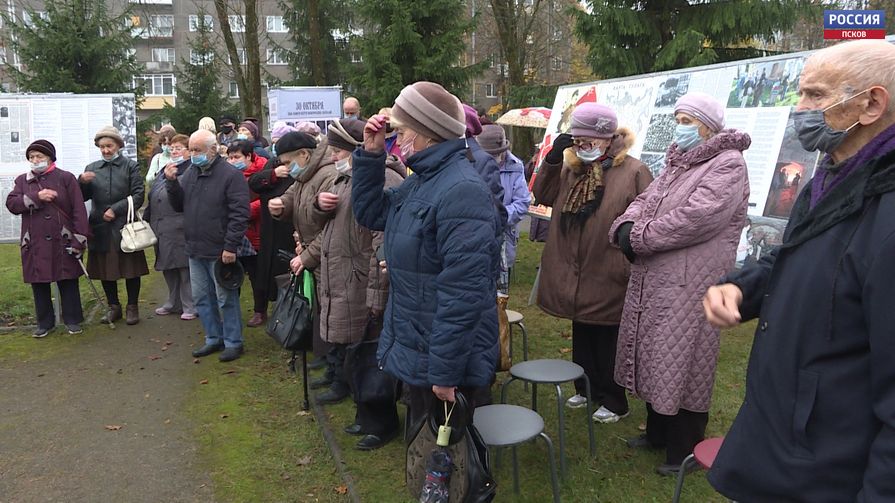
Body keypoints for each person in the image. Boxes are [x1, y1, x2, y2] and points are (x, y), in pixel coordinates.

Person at [702, 40, 895, 502]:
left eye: (815, 95)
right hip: (785, 448)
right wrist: (739, 288)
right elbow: (795, 256)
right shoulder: (831, 178)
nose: (799, 108)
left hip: (832, 473)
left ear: (871, 103)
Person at [608, 92, 750, 475]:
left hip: (691, 282)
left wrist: (638, 237)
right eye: (678, 118)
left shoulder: (728, 164)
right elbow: (646, 199)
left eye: (687, 120)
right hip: (658, 278)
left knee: (686, 360)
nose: (680, 126)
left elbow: (696, 217)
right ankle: (657, 433)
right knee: (657, 355)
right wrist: (625, 223)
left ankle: (683, 449)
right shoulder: (679, 163)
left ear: (707, 125)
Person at [352, 81, 500, 432]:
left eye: (402, 131)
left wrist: (446, 371)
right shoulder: (422, 181)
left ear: (427, 133)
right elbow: (372, 213)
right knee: (427, 446)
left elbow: (464, 293)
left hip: (446, 354)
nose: (397, 139)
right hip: (423, 340)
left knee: (452, 455)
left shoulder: (461, 190)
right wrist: (371, 155)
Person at [532, 103, 652, 423]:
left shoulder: (633, 171)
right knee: (582, 330)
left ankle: (613, 399)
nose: (583, 147)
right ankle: (585, 388)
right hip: (574, 268)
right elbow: (543, 195)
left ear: (608, 138)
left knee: (608, 338)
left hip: (608, 267)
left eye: (590, 141)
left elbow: (648, 215)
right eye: (578, 140)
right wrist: (553, 158)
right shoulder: (572, 168)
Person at [315, 119, 405, 450]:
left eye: (339, 150)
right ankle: (364, 414)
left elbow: (383, 240)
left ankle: (382, 422)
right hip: (344, 277)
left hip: (365, 279)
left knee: (371, 355)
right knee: (355, 352)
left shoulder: (386, 177)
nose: (334, 157)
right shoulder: (344, 177)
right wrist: (316, 206)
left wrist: (376, 291)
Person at [166, 130, 250, 362]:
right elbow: (179, 206)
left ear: (212, 150)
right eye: (191, 150)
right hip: (195, 248)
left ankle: (233, 341)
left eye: (197, 150)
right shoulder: (191, 173)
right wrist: (172, 184)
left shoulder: (231, 176)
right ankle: (213, 338)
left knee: (226, 298)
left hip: (220, 249)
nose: (192, 155)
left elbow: (239, 214)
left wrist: (231, 246)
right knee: (202, 297)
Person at [267, 131, 338, 367]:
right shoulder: (305, 175)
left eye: (288, 162)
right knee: (319, 309)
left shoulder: (328, 175)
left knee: (331, 313)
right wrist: (280, 206)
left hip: (327, 257)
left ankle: (334, 366)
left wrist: (307, 256)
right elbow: (291, 198)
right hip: (313, 255)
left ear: (304, 154)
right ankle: (325, 357)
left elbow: (331, 230)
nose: (287, 169)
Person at [6, 140, 89, 337]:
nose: (35, 160)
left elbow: (78, 209)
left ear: (50, 158)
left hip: (63, 238)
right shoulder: (22, 181)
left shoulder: (66, 178)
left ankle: (73, 320)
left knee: (67, 278)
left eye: (39, 157)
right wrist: (36, 196)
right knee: (39, 281)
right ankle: (44, 323)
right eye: (32, 157)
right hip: (34, 241)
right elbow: (12, 204)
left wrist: (79, 238)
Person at [79, 126, 149, 325]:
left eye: (109, 146)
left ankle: (132, 307)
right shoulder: (91, 168)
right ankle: (113, 307)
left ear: (118, 145)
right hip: (100, 226)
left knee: (130, 268)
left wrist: (116, 209)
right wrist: (81, 182)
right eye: (102, 147)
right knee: (104, 268)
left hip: (124, 225)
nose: (105, 150)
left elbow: (138, 195)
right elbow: (82, 198)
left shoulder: (130, 166)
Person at [247, 134, 308, 334]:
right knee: (265, 272)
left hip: (290, 229)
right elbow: (255, 182)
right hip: (269, 227)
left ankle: (289, 313)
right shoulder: (273, 164)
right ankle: (261, 309)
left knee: (289, 272)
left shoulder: (302, 169)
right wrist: (273, 174)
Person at [143, 134, 196, 321]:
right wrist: (146, 218)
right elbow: (152, 196)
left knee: (184, 267)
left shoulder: (191, 170)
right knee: (167, 266)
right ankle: (173, 302)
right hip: (161, 226)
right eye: (172, 148)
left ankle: (190, 304)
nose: (174, 151)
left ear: (189, 152)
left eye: (179, 148)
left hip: (179, 226)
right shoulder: (163, 170)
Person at [476, 124, 531, 280]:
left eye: (497, 155)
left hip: (505, 234)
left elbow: (522, 201)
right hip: (479, 233)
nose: (494, 159)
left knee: (501, 289)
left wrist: (500, 216)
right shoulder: (473, 164)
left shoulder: (515, 166)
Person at [226, 140, 267, 327]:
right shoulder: (230, 176)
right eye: (230, 157)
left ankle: (260, 311)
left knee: (256, 274)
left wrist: (243, 211)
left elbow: (265, 201)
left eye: (236, 157)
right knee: (233, 272)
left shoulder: (263, 173)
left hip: (256, 231)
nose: (232, 161)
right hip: (235, 232)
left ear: (249, 156)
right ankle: (231, 311)